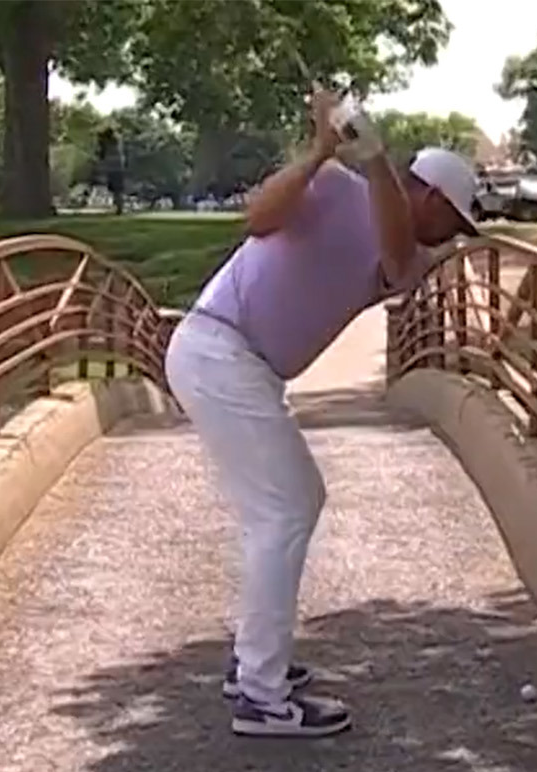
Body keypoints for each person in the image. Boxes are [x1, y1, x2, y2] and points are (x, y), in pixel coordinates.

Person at [162, 88, 479, 738]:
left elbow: (396, 254)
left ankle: (255, 665)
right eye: (456, 220)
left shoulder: (407, 250)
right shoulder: (334, 184)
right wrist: (321, 150)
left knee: (281, 510)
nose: (455, 235)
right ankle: (259, 691)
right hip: (218, 349)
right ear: (435, 199)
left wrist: (378, 161)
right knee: (287, 508)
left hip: (239, 364)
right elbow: (257, 217)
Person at [95, 128, 127, 215]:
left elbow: (101, 154)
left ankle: (119, 208)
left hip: (112, 168)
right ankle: (119, 207)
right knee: (118, 189)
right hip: (119, 167)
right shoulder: (117, 142)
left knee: (116, 190)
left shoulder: (108, 144)